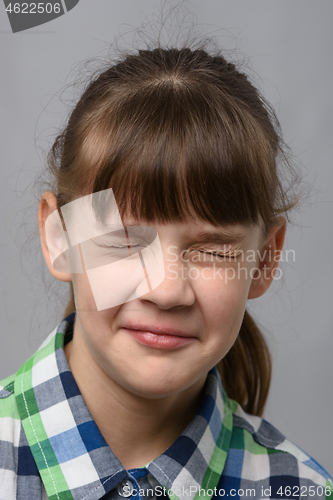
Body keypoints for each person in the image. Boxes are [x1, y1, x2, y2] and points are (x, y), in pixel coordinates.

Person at [0, 45, 332, 500]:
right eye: (124, 241)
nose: (167, 290)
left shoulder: (299, 489)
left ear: (266, 258)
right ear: (60, 238)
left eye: (213, 250)